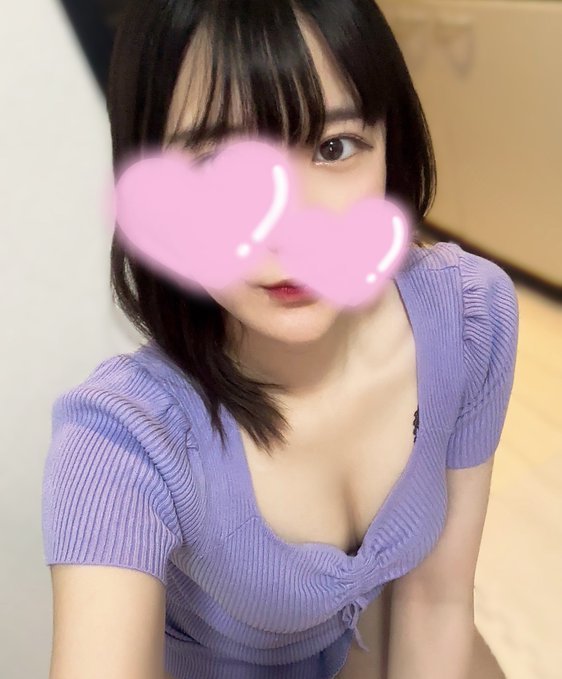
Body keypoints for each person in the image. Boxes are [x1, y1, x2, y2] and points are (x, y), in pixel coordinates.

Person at [41, 1, 519, 678]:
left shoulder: (470, 315)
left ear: (391, 145)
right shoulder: (124, 442)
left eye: (333, 147)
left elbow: (436, 601)